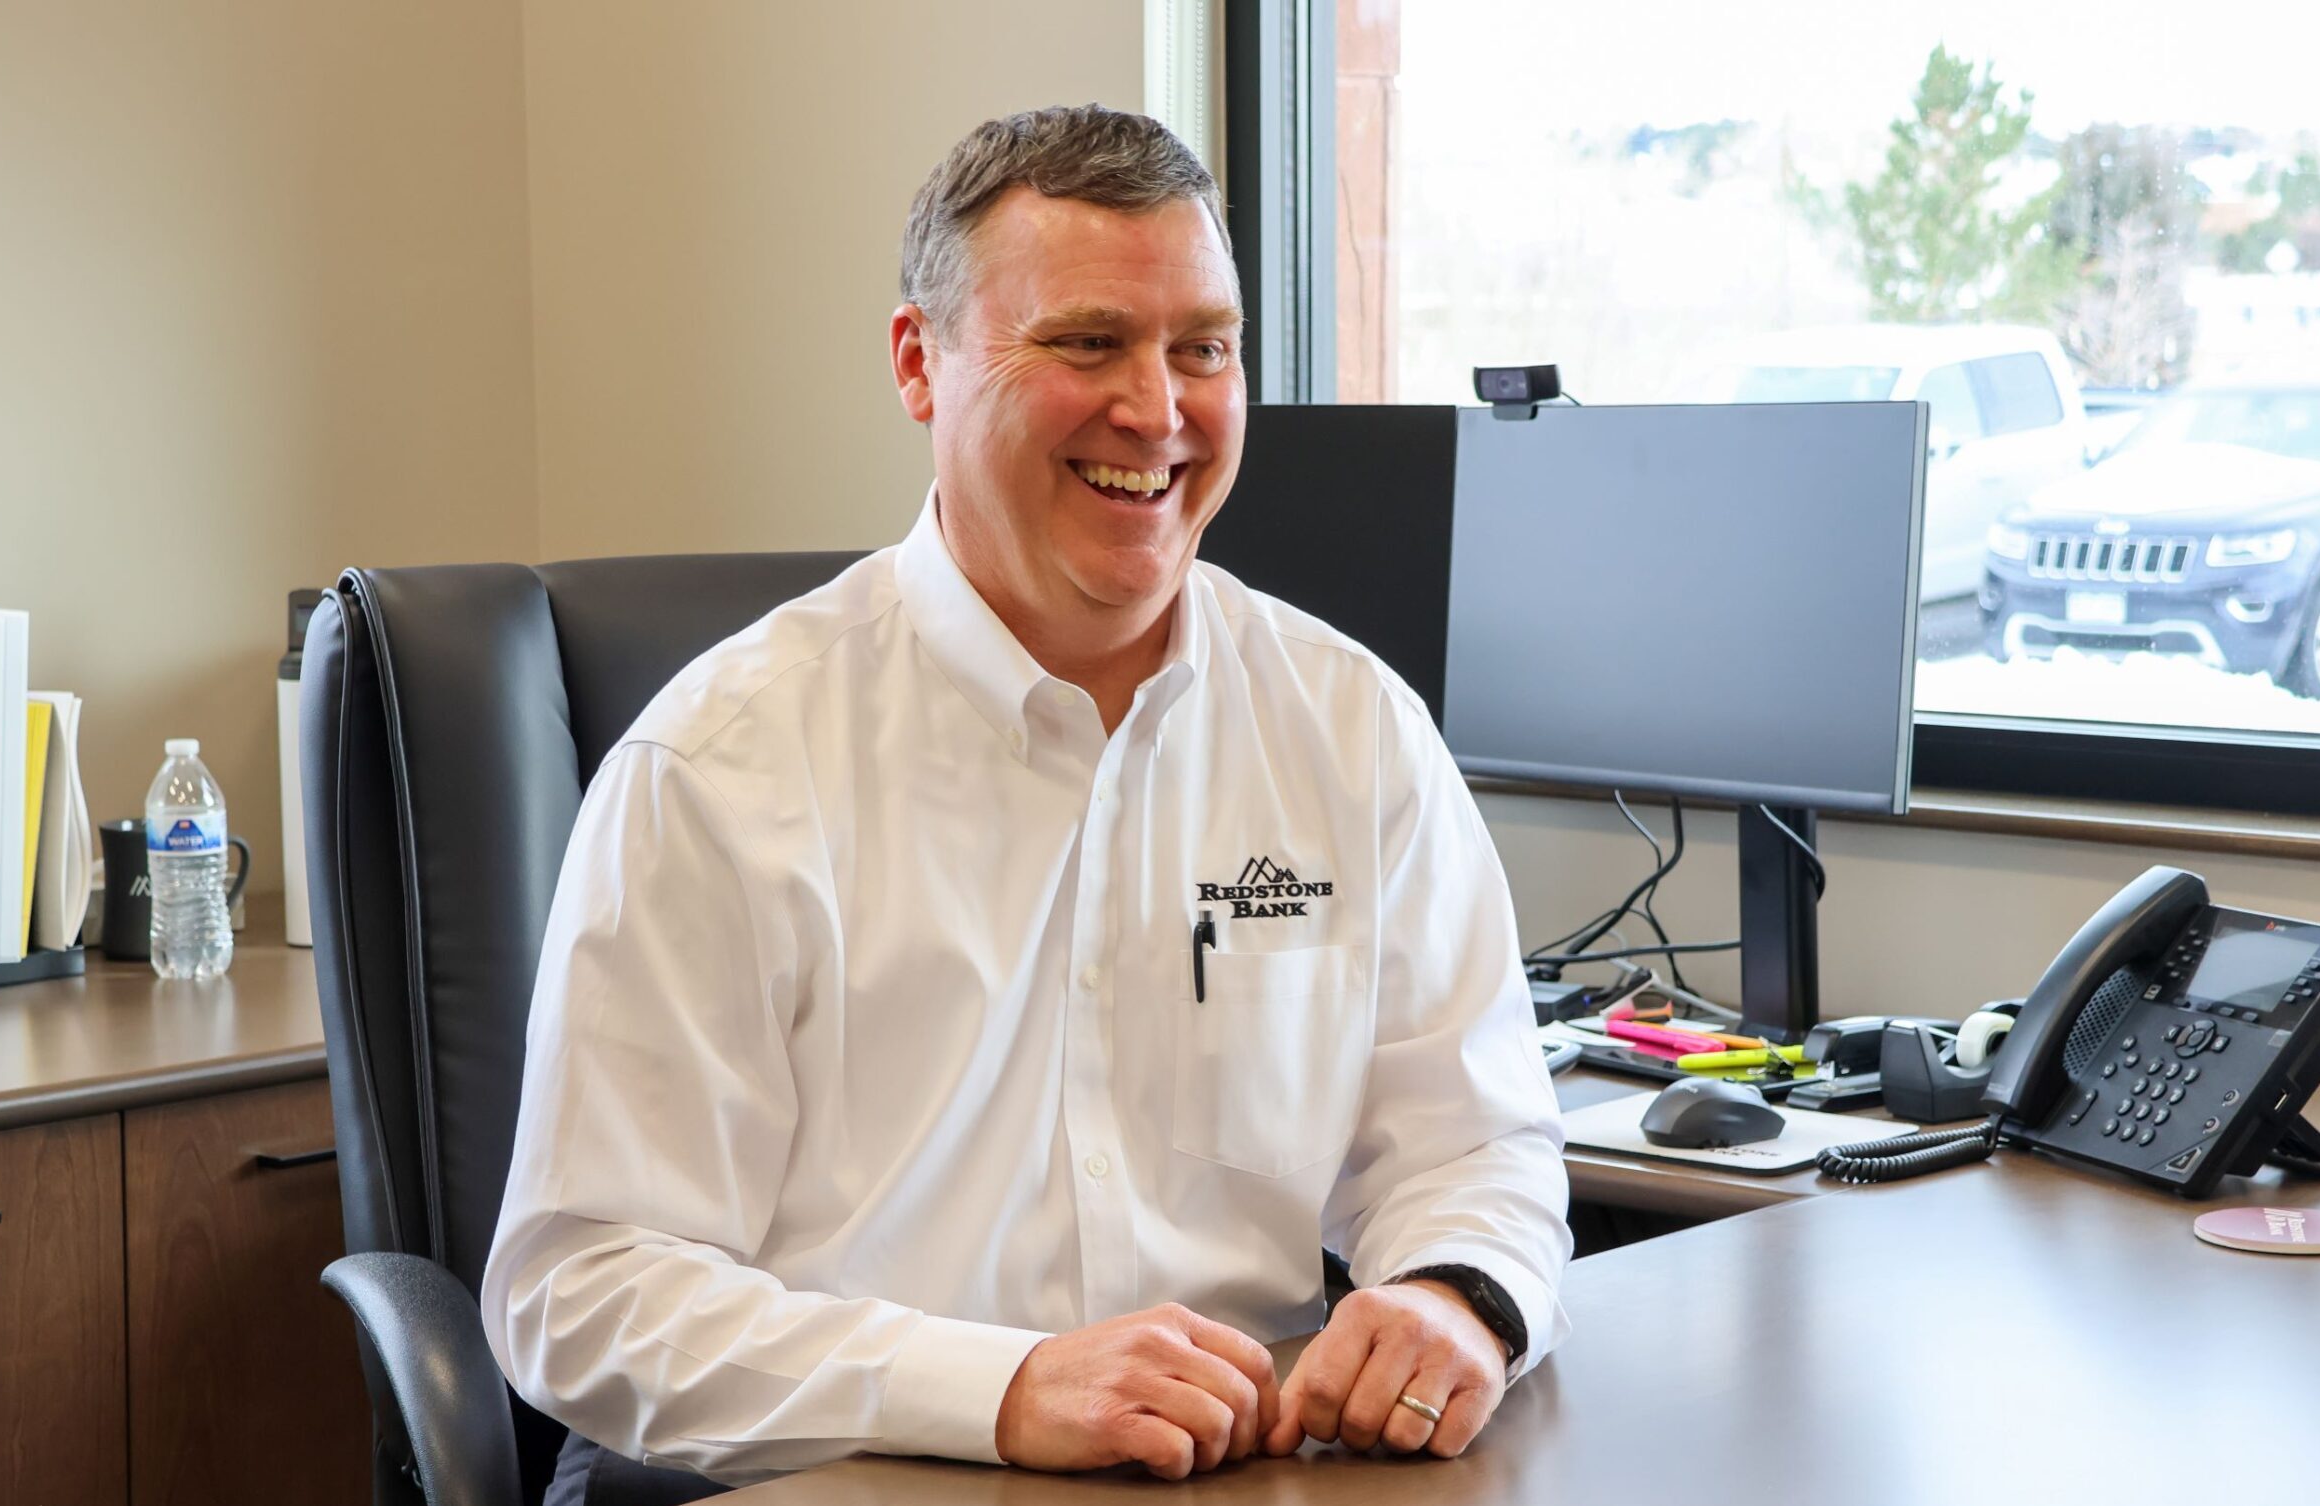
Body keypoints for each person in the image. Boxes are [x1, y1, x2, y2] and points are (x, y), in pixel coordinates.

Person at [482, 104, 1571, 1506]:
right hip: (842, 1478)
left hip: (1231, 1476)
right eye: (1086, 342)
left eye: (1205, 348)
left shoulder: (1350, 730)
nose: (1160, 411)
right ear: (917, 364)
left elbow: (1473, 1138)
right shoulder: (721, 767)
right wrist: (994, 1387)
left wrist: (1454, 1294)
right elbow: (583, 1286)